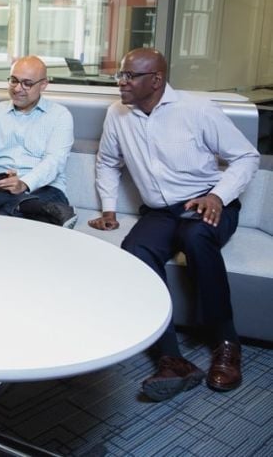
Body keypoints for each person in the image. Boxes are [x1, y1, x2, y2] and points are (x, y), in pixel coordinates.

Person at [88, 48, 260, 402]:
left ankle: (227, 342)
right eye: (121, 75)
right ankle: (172, 360)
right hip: (160, 211)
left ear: (156, 80)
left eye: (130, 76)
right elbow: (107, 161)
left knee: (196, 236)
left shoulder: (197, 110)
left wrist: (219, 196)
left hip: (206, 202)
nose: (121, 82)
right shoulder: (117, 114)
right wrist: (109, 209)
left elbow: (246, 156)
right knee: (134, 250)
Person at [0, 55, 77, 227]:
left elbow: (55, 161)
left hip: (43, 188)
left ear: (44, 84)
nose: (18, 88)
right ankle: (40, 210)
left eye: (27, 83)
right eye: (14, 81)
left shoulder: (60, 116)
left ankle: (14, 209)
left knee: (2, 217)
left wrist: (24, 184)